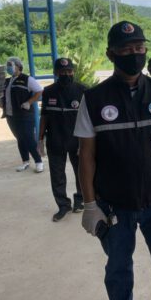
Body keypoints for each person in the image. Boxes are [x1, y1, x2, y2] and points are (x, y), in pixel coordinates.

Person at [74, 20, 151, 300]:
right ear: (111, 54)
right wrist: (89, 205)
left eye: (139, 47)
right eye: (126, 49)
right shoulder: (94, 99)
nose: (134, 54)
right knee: (118, 269)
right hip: (115, 206)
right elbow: (86, 156)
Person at [38, 57, 86, 222]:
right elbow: (44, 116)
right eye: (62, 72)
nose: (66, 74)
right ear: (56, 73)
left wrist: (89, 141)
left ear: (73, 71)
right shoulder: (48, 91)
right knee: (57, 175)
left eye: (69, 71)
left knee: (81, 172)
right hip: (55, 140)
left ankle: (80, 200)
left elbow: (89, 119)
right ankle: (63, 205)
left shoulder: (82, 90)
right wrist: (40, 139)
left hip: (77, 141)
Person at [1, 57, 44, 173]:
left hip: (25, 115)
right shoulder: (7, 81)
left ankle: (39, 161)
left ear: (18, 66)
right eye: (7, 65)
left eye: (10, 65)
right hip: (11, 115)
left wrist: (29, 102)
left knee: (28, 138)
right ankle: (25, 161)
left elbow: (39, 91)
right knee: (20, 138)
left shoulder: (27, 79)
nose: (8, 68)